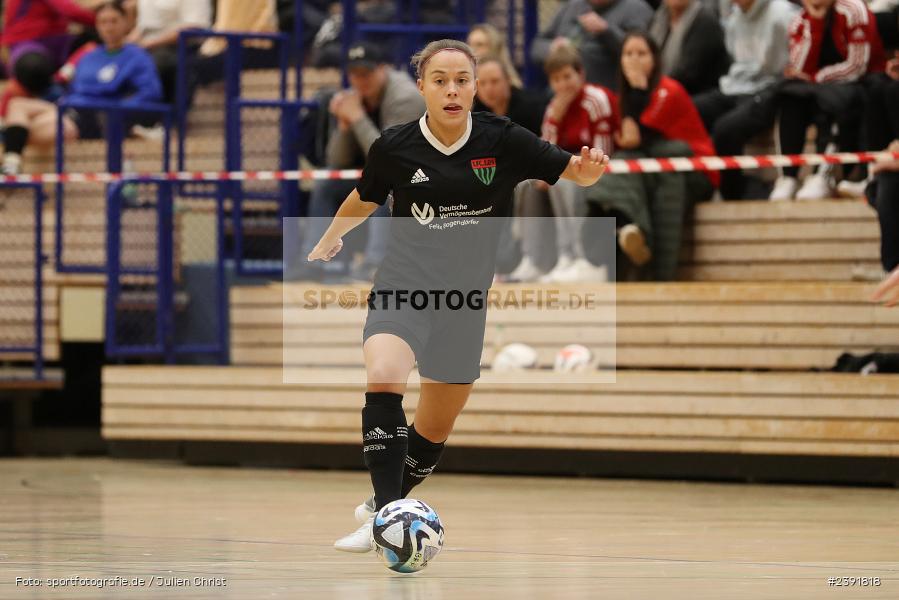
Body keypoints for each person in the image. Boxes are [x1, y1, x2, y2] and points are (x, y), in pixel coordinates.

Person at [306, 39, 609, 553]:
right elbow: (366, 196)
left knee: (433, 430)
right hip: (404, 285)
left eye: (462, 80)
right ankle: (386, 522)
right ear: (421, 86)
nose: (452, 90)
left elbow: (569, 169)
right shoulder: (394, 146)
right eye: (440, 80)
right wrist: (333, 234)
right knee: (383, 375)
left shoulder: (503, 140)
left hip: (464, 301)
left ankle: (384, 508)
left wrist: (588, 169)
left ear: (474, 87)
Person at [586, 32, 716, 280]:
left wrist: (637, 89)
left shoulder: (668, 91)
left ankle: (651, 261)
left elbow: (631, 139)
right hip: (655, 166)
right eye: (628, 54)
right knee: (617, 170)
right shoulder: (623, 99)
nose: (634, 60)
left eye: (641, 54)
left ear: (655, 60)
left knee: (629, 162)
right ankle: (625, 231)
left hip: (696, 171)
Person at [297, 41, 425, 282]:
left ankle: (374, 264)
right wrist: (345, 127)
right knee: (326, 184)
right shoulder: (355, 97)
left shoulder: (405, 97)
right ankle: (315, 261)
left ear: (383, 69)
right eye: (354, 74)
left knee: (384, 187)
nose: (360, 80)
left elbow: (390, 157)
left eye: (366, 73)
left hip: (419, 175)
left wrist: (356, 118)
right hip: (378, 170)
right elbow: (335, 160)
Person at [1, 1, 162, 175]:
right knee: (17, 104)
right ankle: (12, 158)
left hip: (96, 116)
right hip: (70, 108)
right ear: (97, 26)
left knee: (39, 126)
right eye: (103, 22)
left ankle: (11, 153)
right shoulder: (88, 55)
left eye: (114, 21)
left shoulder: (137, 56)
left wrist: (118, 111)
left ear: (126, 23)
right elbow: (72, 87)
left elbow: (151, 93)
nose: (108, 27)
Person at [509, 44, 617, 283]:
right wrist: (555, 122)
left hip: (604, 171)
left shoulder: (596, 100)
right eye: (556, 79)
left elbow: (604, 153)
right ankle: (535, 259)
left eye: (567, 76)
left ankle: (580, 256)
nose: (563, 85)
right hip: (573, 169)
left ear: (581, 74)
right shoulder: (553, 108)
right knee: (528, 183)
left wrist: (562, 169)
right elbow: (543, 152)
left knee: (564, 180)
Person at [768, 0, 886, 201]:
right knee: (789, 97)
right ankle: (788, 177)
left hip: (859, 86)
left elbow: (857, 66)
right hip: (819, 88)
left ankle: (822, 176)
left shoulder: (854, 10)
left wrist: (817, 78)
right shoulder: (800, 19)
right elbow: (799, 68)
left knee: (835, 100)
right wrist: (815, 22)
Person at [692, 0, 798, 200]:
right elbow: (734, 58)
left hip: (772, 89)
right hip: (735, 86)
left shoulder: (783, 13)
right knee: (691, 110)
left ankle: (732, 193)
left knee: (726, 128)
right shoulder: (734, 17)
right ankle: (700, 185)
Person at [531, 0, 654, 90]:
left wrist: (606, 31)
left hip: (607, 98)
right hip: (559, 93)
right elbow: (536, 47)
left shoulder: (636, 8)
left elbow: (643, 54)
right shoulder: (572, 6)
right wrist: (553, 47)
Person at [1, 0, 95, 96]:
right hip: (29, 48)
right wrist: (101, 20)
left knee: (92, 41)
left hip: (55, 43)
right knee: (34, 68)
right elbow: (72, 12)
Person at [126, 0, 211, 104]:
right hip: (145, 46)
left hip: (178, 49)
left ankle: (137, 111)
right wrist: (125, 43)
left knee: (141, 66)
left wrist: (150, 43)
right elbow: (144, 27)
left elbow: (194, 27)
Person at [648, 0, 731, 95]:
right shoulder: (657, 20)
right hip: (663, 89)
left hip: (699, 94)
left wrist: (651, 88)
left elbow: (687, 74)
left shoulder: (705, 22)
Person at [471, 56, 544, 135]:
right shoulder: (475, 111)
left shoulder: (531, 107)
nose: (488, 89)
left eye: (495, 81)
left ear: (508, 80)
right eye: (482, 83)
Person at [467, 22, 523, 88]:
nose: (472, 50)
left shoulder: (511, 86)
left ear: (495, 48)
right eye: (469, 45)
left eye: (479, 45)